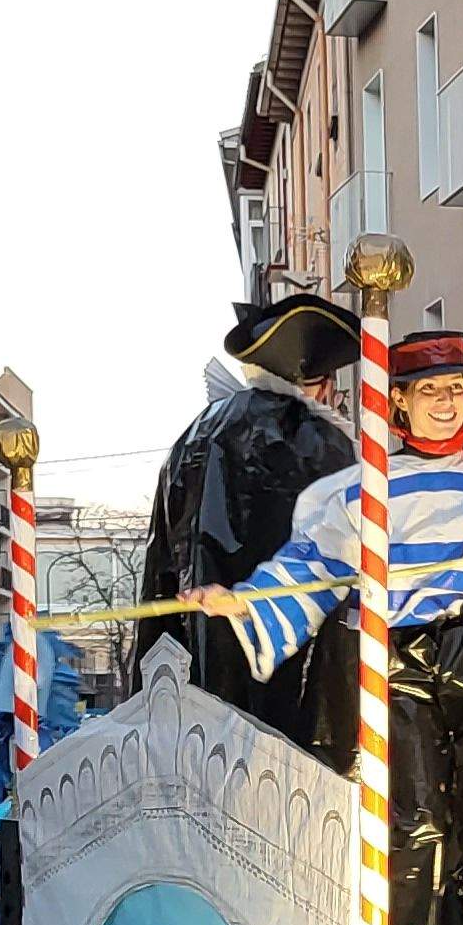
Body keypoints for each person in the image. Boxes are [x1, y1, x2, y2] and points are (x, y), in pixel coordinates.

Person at [210, 327, 463, 925]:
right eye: (430, 390)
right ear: (398, 400)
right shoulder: (366, 489)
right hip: (399, 651)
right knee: (411, 803)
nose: (446, 402)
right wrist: (247, 600)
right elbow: (313, 563)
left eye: (456, 389)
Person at [146, 293, 362, 735]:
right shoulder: (322, 442)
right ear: (321, 384)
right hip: (295, 662)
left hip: (194, 660)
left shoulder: (193, 436)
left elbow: (161, 566)